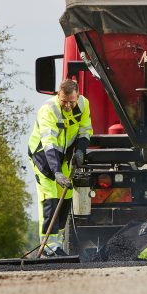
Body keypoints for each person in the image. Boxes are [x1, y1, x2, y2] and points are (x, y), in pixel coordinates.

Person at [28, 79, 93, 257]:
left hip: (63, 158)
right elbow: (49, 143)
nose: (68, 105)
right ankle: (47, 247)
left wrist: (80, 151)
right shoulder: (48, 110)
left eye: (71, 101)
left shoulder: (83, 104)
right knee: (50, 198)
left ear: (77, 96)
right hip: (44, 157)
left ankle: (56, 244)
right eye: (64, 101)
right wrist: (56, 171)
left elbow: (85, 130)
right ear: (58, 95)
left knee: (67, 195)